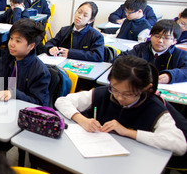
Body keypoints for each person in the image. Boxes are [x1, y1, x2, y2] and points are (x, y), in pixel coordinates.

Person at [55, 55, 186, 156]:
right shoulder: (104, 93)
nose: (119, 97)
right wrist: (82, 120)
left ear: (145, 88)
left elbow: (179, 145)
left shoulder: (154, 108)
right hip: (96, 152)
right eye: (115, 90)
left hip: (135, 163)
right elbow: (61, 101)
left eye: (128, 94)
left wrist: (128, 132)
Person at [0, 18, 50, 106]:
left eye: (18, 41)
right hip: (3, 107)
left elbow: (38, 103)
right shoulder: (5, 59)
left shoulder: (40, 71)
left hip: (24, 113)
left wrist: (14, 93)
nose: (11, 44)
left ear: (31, 46)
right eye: (11, 38)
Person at [120, 19, 187, 84]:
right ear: (151, 36)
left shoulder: (180, 54)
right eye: (157, 36)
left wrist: (170, 76)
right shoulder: (140, 49)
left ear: (174, 41)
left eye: (166, 38)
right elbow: (121, 59)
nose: (160, 40)